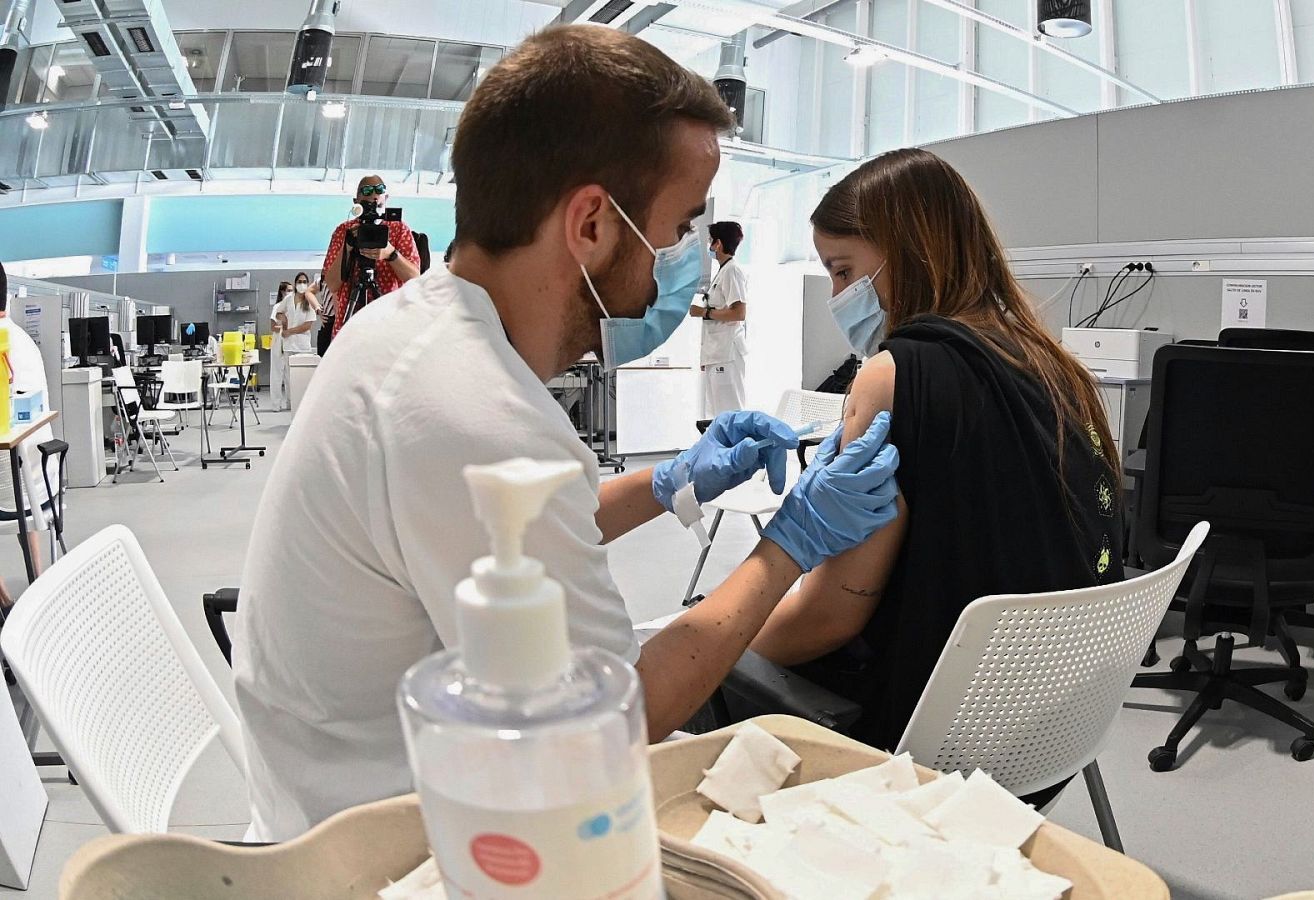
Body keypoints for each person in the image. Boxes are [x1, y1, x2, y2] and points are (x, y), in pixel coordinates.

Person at [233, 24, 900, 841]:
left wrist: (670, 483)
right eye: (680, 225)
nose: (681, 256)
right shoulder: (474, 411)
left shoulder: (417, 331)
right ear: (591, 223)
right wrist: (790, 543)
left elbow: (518, 517)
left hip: (343, 783)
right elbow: (615, 724)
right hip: (400, 844)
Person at [748, 148, 1124, 750]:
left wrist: (714, 639)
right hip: (1048, 729)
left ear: (910, 251)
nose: (837, 295)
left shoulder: (892, 376)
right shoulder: (1054, 366)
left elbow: (828, 619)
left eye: (844, 271)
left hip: (924, 735)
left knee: (713, 677)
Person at [0, 260, 55, 606]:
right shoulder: (24, 341)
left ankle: (3, 604)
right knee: (19, 484)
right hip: (42, 489)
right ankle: (37, 581)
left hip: (6, 496)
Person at [319, 175, 421, 345]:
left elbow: (415, 278)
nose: (374, 195)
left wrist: (391, 254)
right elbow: (332, 284)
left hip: (389, 325)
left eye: (380, 190)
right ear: (356, 200)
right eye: (366, 191)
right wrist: (348, 246)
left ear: (386, 197)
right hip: (349, 326)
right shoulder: (343, 231)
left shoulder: (399, 229)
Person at [691, 221, 749, 416]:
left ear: (719, 244)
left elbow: (739, 312)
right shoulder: (722, 272)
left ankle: (738, 448)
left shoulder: (732, 271)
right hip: (716, 354)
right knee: (716, 415)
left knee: (729, 414)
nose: (709, 247)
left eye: (711, 242)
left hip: (726, 354)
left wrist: (704, 312)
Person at [269, 273, 320, 411]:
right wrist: (284, 320)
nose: (302, 284)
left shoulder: (309, 301)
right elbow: (279, 313)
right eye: (299, 281)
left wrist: (289, 331)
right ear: (295, 282)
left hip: (302, 345)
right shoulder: (288, 299)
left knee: (301, 378)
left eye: (304, 281)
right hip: (288, 344)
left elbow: (307, 326)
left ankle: (301, 405)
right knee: (288, 377)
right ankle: (291, 404)